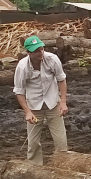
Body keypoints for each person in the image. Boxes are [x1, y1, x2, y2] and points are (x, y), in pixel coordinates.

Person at [13, 35, 68, 165]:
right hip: (34, 105)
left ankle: (62, 165)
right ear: (28, 52)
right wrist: (27, 112)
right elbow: (19, 91)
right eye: (36, 51)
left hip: (53, 102)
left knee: (61, 140)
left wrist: (63, 102)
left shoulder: (52, 59)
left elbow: (61, 79)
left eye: (41, 49)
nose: (40, 52)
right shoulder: (22, 67)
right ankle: (35, 168)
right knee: (32, 142)